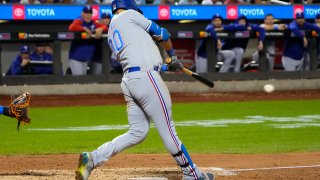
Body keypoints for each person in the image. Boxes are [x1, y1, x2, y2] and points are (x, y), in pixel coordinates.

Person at [75, 0, 215, 179]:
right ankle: (193, 174)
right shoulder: (131, 15)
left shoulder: (112, 30)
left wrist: (166, 67)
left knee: (138, 132)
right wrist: (172, 56)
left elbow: (138, 59)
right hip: (145, 79)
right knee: (168, 130)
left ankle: (93, 158)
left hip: (130, 81)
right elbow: (163, 34)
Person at [68, 5, 108, 75]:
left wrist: (101, 29)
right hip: (76, 58)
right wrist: (83, 29)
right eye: (86, 13)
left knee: (84, 81)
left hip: (86, 59)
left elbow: (105, 27)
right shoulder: (79, 20)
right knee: (79, 81)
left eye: (90, 13)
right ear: (82, 13)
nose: (88, 15)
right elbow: (72, 27)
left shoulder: (92, 23)